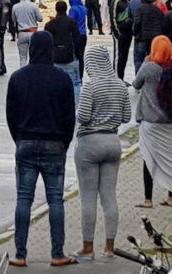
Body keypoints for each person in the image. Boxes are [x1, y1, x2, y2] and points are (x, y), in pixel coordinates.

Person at [5, 31, 77, 268]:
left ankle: (20, 254)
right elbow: (69, 117)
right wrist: (64, 143)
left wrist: (20, 139)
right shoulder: (62, 79)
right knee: (55, 200)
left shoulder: (17, 78)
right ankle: (57, 253)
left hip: (25, 142)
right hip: (54, 144)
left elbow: (11, 115)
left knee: (23, 199)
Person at [74, 46, 131, 260]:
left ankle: (88, 248)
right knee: (109, 197)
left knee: (88, 198)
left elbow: (84, 117)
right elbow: (126, 117)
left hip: (90, 142)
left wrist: (78, 108)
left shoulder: (91, 86)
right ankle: (110, 246)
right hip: (113, 142)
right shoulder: (119, 85)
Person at [133, 35, 172, 208]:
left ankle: (148, 199)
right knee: (171, 158)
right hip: (171, 122)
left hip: (150, 120)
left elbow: (135, 84)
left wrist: (146, 61)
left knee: (148, 158)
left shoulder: (148, 68)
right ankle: (171, 197)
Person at [45, 0, 82, 101]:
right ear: (66, 9)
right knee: (75, 82)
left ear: (56, 9)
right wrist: (79, 55)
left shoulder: (49, 25)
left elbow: (46, 42)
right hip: (70, 56)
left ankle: (56, 103)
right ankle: (76, 103)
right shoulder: (72, 23)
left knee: (55, 82)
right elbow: (77, 40)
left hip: (55, 57)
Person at [132, 0, 164, 73]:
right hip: (154, 39)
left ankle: (139, 78)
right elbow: (163, 23)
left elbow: (137, 23)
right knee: (153, 59)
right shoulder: (157, 10)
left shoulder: (140, 9)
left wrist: (135, 33)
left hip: (142, 37)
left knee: (139, 59)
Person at [12, 0, 43, 67]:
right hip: (33, 32)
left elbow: (13, 20)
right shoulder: (33, 6)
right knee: (34, 55)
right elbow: (40, 19)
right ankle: (33, 72)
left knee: (22, 56)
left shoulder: (15, 6)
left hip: (22, 33)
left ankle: (23, 74)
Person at [111, 0, 133, 81]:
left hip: (128, 33)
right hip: (119, 32)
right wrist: (116, 31)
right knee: (118, 56)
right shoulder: (116, 2)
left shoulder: (129, 2)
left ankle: (121, 78)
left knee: (125, 56)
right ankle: (116, 79)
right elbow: (113, 17)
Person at [68, 0, 88, 79]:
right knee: (81, 57)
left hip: (75, 35)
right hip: (83, 34)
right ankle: (81, 75)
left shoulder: (73, 9)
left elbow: (70, 22)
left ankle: (75, 75)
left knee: (75, 56)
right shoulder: (84, 8)